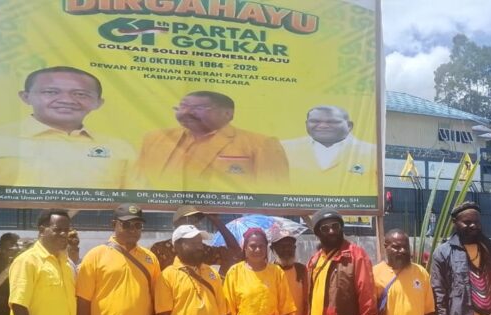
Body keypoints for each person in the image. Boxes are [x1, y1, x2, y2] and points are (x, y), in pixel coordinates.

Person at [0, 66, 138, 189]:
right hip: (14, 219)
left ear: (98, 103)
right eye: (51, 92)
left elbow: (134, 202)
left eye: (80, 94)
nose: (66, 100)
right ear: (26, 97)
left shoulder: (120, 148)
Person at [136, 91, 289, 193]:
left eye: (199, 107)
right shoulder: (155, 139)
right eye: (182, 106)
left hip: (227, 216)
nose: (187, 112)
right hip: (162, 212)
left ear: (227, 113)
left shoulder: (260, 144)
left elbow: (274, 192)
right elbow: (138, 183)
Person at [281, 105, 377, 196]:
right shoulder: (283, 148)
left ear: (349, 126)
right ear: (306, 124)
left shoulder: (373, 153)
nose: (323, 126)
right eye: (315, 121)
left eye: (332, 122)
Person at [150, 205, 242, 277]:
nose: (195, 223)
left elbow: (234, 252)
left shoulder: (202, 249)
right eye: (189, 219)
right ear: (177, 223)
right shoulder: (159, 249)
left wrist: (216, 221)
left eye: (197, 220)